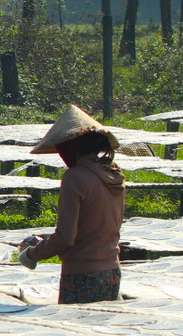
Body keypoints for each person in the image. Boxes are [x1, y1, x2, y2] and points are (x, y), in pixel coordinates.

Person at [18, 104, 126, 305]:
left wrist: (32, 254)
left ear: (71, 147)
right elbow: (92, 230)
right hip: (111, 271)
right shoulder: (114, 175)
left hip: (82, 275)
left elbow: (66, 238)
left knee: (79, 330)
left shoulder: (75, 177)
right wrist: (47, 241)